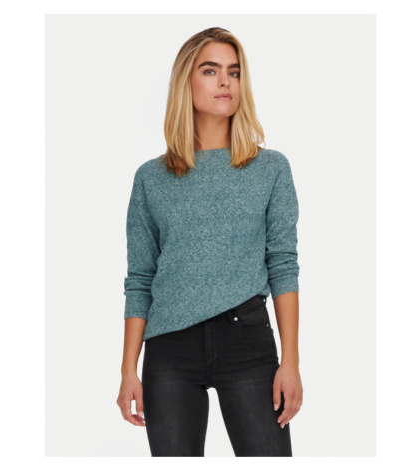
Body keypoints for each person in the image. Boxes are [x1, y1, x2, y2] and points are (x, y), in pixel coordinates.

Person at [116, 27, 303, 457]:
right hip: (170, 349)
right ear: (186, 81)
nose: (225, 82)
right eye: (210, 70)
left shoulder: (270, 169)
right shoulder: (151, 179)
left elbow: (283, 266)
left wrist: (290, 360)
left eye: (233, 72)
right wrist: (128, 370)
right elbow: (140, 278)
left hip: (247, 340)